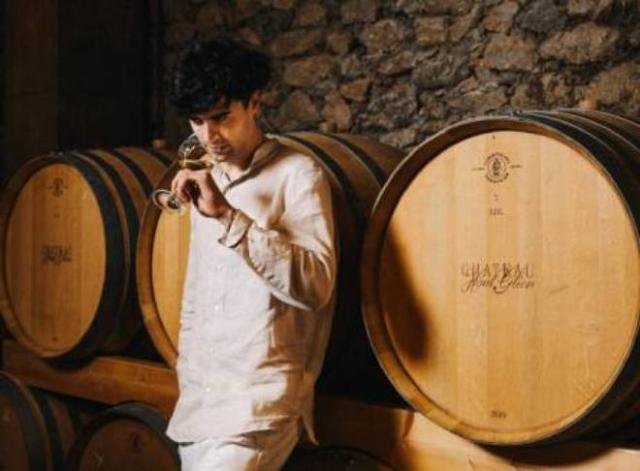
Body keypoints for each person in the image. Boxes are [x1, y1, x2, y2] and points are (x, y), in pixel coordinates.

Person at [164, 36, 337, 471]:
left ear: (255, 103)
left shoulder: (299, 174)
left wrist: (228, 216)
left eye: (221, 118)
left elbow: (316, 285)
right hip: (199, 407)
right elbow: (196, 297)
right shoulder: (207, 178)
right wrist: (189, 377)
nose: (209, 136)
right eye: (197, 121)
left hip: (260, 405)